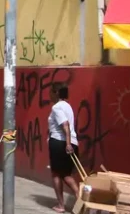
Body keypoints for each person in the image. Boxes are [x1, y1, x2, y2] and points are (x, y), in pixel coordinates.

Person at [48, 84, 80, 212]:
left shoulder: (56, 107)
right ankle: (79, 197)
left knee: (58, 174)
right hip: (71, 141)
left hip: (59, 143)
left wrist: (67, 144)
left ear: (56, 93)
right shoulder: (68, 106)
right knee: (66, 173)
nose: (49, 94)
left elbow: (65, 125)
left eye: (51, 92)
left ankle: (63, 204)